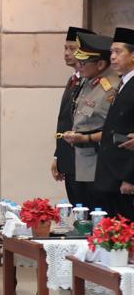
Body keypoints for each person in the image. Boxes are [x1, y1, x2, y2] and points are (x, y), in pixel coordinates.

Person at [60, 32, 117, 209]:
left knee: (100, 212)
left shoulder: (110, 88)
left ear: (100, 64)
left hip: (99, 161)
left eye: (83, 63)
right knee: (84, 212)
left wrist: (85, 138)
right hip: (81, 160)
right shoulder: (87, 82)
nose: (79, 66)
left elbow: (113, 129)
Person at [95, 27, 134, 220]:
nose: (112, 57)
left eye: (118, 52)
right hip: (111, 174)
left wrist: (130, 177)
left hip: (125, 174)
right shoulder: (123, 83)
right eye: (111, 52)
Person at [52, 28, 85, 204]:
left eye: (72, 48)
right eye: (65, 48)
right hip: (69, 160)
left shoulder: (89, 82)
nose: (66, 53)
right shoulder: (72, 80)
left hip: (83, 162)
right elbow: (65, 121)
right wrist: (59, 157)